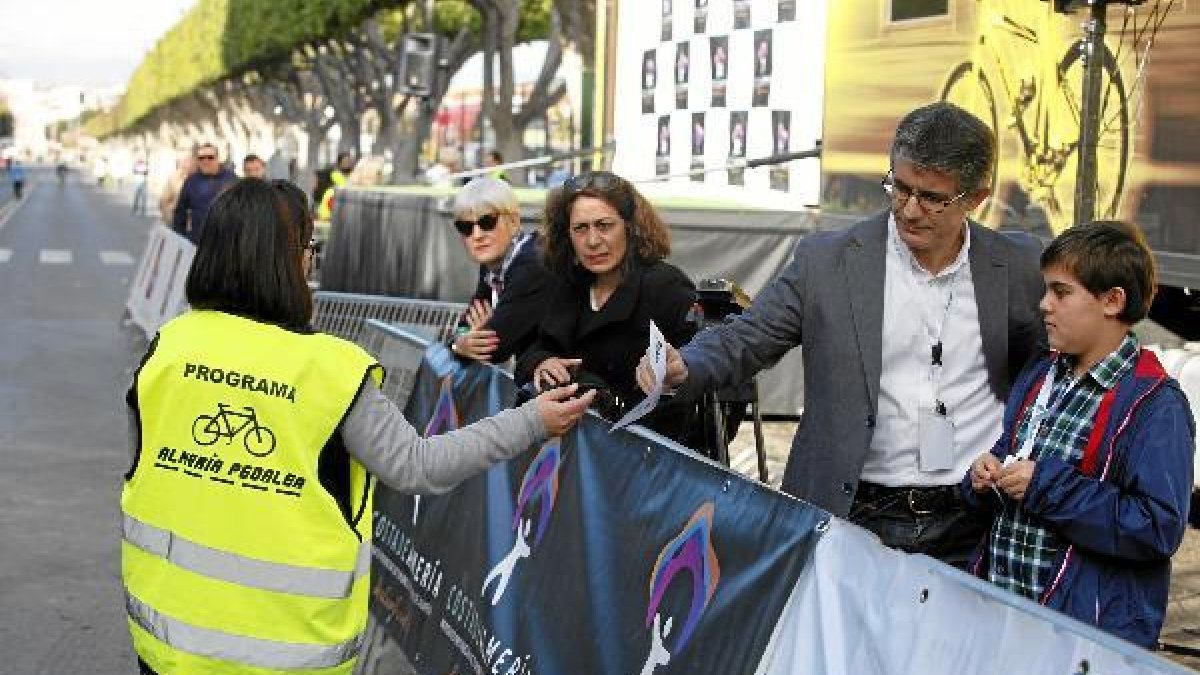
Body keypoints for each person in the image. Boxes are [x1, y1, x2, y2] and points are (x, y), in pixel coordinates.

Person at [122, 179, 594, 675]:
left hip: (167, 639)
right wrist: (532, 419)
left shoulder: (167, 348)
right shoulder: (330, 370)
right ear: (289, 260)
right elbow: (418, 466)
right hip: (284, 651)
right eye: (308, 247)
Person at [639, 102, 1045, 566]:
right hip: (852, 511)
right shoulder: (827, 261)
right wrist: (685, 365)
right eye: (900, 187)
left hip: (973, 518)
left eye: (932, 197)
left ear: (976, 198)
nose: (910, 210)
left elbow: (1048, 373)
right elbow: (748, 337)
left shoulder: (1018, 266)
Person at [963, 221, 1194, 648]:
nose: (1044, 305)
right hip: (1005, 623)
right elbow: (1014, 452)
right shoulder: (1041, 373)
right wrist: (984, 476)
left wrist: (1045, 486)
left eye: (1061, 292)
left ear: (1112, 301)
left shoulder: (1157, 407)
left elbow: (1156, 528)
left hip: (1082, 640)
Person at [516, 171, 702, 446]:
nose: (592, 241)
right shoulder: (570, 286)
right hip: (575, 453)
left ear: (629, 226)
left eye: (604, 226)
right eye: (581, 228)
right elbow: (534, 346)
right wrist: (541, 363)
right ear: (567, 234)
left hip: (645, 455)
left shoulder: (665, 287)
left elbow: (700, 375)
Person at [449, 177, 553, 364]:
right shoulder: (492, 263)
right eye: (466, 227)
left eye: (487, 222)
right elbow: (465, 325)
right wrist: (459, 342)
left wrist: (462, 342)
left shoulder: (533, 265)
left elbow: (495, 348)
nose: (477, 235)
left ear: (514, 222)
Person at [171, 144, 236, 244]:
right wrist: (180, 238)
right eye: (201, 158)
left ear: (217, 159)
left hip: (225, 243)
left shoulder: (232, 180)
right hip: (198, 242)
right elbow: (180, 212)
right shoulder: (191, 181)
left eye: (210, 157)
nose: (206, 161)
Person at [317, 151, 356, 220]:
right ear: (339, 163)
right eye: (345, 162)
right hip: (329, 214)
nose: (348, 164)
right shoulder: (336, 176)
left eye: (349, 162)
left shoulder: (350, 176)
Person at [158, 154, 193, 222]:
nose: (188, 164)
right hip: (176, 223)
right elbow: (163, 202)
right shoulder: (175, 178)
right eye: (186, 161)